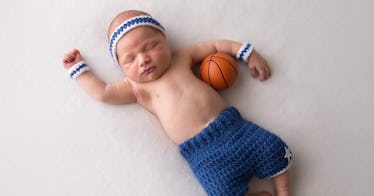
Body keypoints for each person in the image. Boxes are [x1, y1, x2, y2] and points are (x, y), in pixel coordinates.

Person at [62, 10, 293, 196]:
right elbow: (103, 92)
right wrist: (78, 70)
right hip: (202, 153)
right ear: (121, 67)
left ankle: (283, 190)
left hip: (232, 127)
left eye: (151, 46)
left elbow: (214, 46)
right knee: (221, 191)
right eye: (130, 59)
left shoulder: (181, 58)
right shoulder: (136, 87)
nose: (143, 60)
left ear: (165, 40)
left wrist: (247, 53)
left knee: (274, 149)